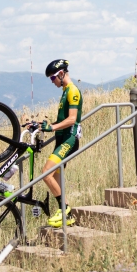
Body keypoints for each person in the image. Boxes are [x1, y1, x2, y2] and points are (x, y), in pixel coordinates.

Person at [32, 59, 83, 227]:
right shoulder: (65, 90)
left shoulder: (73, 91)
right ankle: (67, 216)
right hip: (61, 138)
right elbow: (62, 119)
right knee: (55, 176)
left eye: (53, 78)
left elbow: (72, 119)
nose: (52, 81)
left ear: (61, 74)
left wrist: (52, 128)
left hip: (69, 139)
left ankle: (64, 209)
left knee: (46, 173)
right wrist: (42, 125)